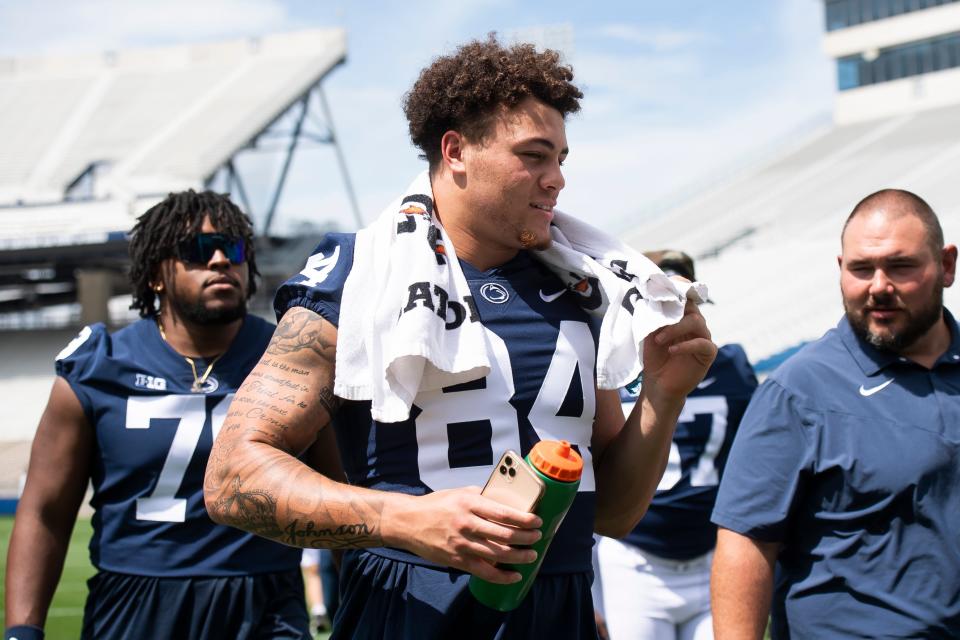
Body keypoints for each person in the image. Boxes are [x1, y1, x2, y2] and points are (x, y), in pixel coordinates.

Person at [204, 36, 716, 639]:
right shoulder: (364, 273)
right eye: (534, 155)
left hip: (557, 614)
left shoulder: (579, 286)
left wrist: (662, 394)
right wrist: (404, 521)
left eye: (561, 158)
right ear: (456, 151)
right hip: (411, 608)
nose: (557, 180)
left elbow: (613, 513)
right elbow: (233, 478)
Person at [4, 190, 329, 640]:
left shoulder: (291, 359)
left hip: (264, 602)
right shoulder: (101, 364)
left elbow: (344, 488)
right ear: (157, 273)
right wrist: (23, 631)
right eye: (197, 251)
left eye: (233, 249)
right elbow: (44, 511)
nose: (220, 261)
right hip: (135, 604)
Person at [710, 189, 959, 639]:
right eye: (862, 269)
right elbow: (745, 546)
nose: (879, 286)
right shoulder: (799, 391)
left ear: (946, 265)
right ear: (841, 270)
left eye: (900, 266)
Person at [597, 250, 758, 640]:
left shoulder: (730, 363)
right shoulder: (615, 367)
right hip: (638, 559)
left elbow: (753, 452)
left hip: (711, 553)